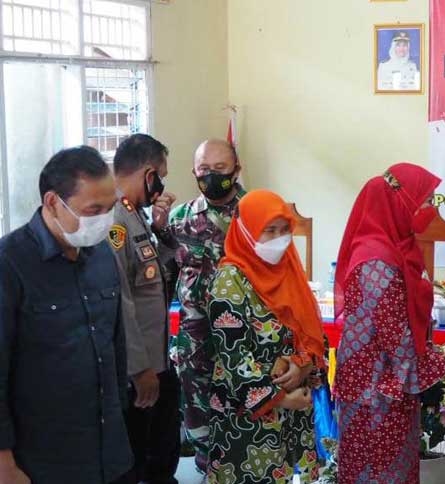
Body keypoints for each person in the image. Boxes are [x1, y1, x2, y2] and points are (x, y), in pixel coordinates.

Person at [0, 146, 131, 484]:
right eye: (93, 210)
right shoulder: (4, 267)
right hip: (39, 460)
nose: (104, 220)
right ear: (53, 202)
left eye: (110, 208)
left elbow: (115, 346)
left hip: (106, 450)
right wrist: (2, 464)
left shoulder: (101, 255)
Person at [334, 163, 445, 484]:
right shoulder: (376, 260)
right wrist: (426, 372)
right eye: (426, 201)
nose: (431, 209)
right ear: (401, 202)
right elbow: (395, 335)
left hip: (388, 384)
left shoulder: (399, 246)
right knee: (380, 471)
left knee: (393, 466)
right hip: (376, 390)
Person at [205, 189, 324, 483]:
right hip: (248, 415)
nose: (279, 238)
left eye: (284, 229)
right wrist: (281, 399)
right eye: (269, 230)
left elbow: (310, 331)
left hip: (294, 406)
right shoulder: (229, 281)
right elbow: (234, 355)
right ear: (246, 230)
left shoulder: (288, 270)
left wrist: (304, 363)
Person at [168, 139, 245, 473]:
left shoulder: (255, 215)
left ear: (236, 170)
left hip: (242, 343)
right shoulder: (180, 218)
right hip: (194, 342)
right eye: (204, 169)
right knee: (197, 416)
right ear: (194, 172)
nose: (211, 176)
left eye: (220, 169)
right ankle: (205, 467)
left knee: (241, 417)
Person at [109, 134, 181, 484]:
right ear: (149, 174)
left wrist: (160, 231)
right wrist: (139, 369)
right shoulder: (115, 221)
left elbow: (153, 274)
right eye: (161, 177)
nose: (161, 186)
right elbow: (120, 301)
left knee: (162, 452)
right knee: (137, 459)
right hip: (139, 370)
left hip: (158, 360)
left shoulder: (134, 214)